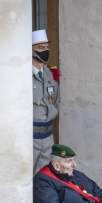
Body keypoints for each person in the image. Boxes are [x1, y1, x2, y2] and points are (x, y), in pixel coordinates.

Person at [32, 29, 59, 176]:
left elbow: (55, 100)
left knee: (43, 177)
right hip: (30, 137)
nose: (45, 51)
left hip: (47, 136)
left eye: (47, 48)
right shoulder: (23, 75)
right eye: (40, 48)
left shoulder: (50, 73)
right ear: (31, 51)